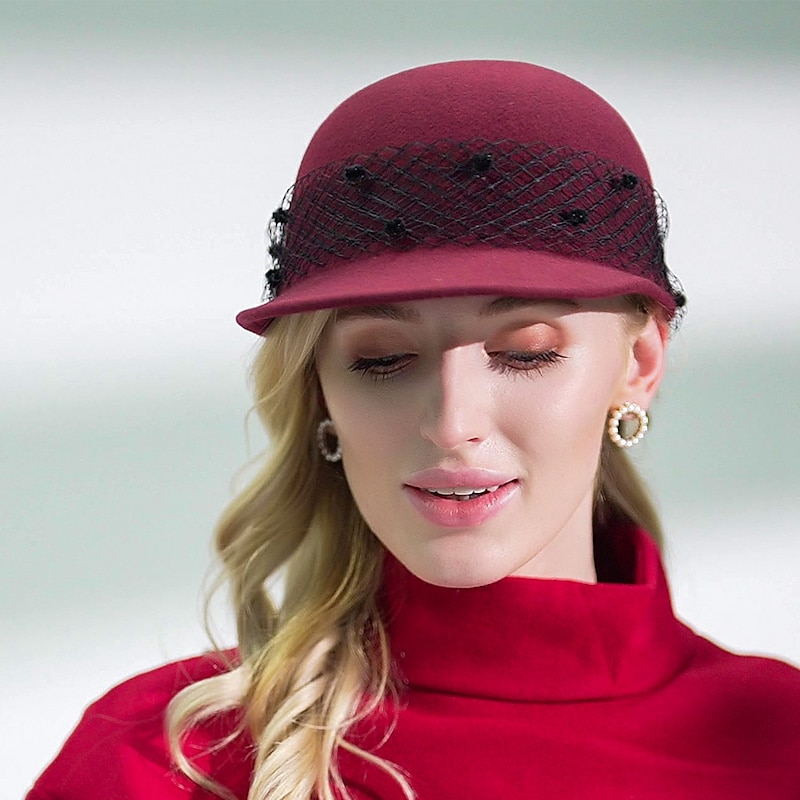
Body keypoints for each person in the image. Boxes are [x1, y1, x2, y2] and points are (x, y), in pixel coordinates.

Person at [27, 60, 800, 800]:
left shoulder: (779, 742)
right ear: (320, 391)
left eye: (526, 353)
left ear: (638, 363)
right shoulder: (166, 759)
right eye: (383, 359)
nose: (452, 425)